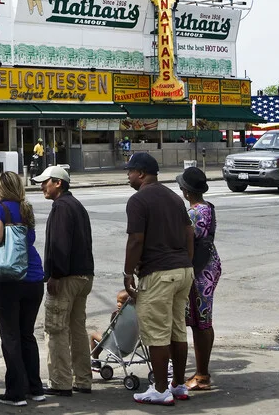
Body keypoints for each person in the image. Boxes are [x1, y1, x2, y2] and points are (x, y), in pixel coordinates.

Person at [123, 153, 194, 406]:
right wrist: (187, 261)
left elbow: (135, 240)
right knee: (177, 330)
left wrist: (127, 272)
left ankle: (161, 388)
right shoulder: (174, 198)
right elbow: (189, 233)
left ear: (141, 173)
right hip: (183, 271)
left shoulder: (138, 200)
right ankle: (178, 385)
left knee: (156, 334)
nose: (128, 176)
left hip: (158, 273)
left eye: (130, 171)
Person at [0, 170, 46, 407]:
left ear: (1, 189)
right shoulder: (25, 208)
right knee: (26, 334)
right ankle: (35, 388)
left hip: (8, 280)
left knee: (10, 336)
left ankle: (16, 392)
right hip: (34, 278)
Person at [34, 165, 94, 398]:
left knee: (56, 329)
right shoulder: (77, 206)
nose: (42, 187)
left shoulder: (60, 207)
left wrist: (55, 275)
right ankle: (83, 379)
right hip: (84, 276)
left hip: (66, 277)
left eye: (45, 182)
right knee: (78, 329)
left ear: (58, 183)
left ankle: (60, 381)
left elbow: (59, 246)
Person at [176, 166, 221, 391]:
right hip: (209, 266)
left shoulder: (194, 213)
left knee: (201, 321)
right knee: (202, 320)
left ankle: (202, 375)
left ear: (186, 191)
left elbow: (186, 241)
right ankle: (202, 373)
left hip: (199, 271)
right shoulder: (208, 208)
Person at [90, 290, 131, 358]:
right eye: (118, 302)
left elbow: (112, 327)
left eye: (122, 302)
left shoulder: (119, 316)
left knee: (94, 335)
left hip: (117, 346)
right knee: (104, 337)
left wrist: (113, 317)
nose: (118, 304)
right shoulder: (134, 316)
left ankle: (95, 360)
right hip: (130, 347)